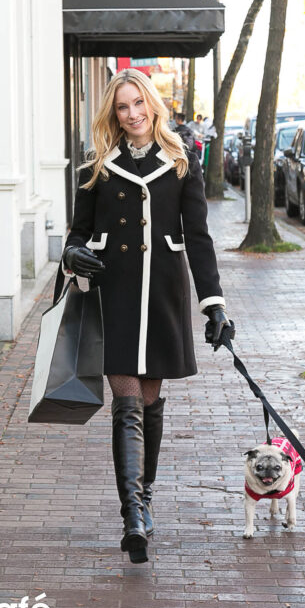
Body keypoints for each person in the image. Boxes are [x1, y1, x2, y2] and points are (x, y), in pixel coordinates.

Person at [61, 68, 234, 564]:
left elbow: (198, 238)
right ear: (113, 114)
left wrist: (214, 304)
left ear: (152, 105)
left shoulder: (180, 161)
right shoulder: (97, 164)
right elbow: (77, 232)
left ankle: (146, 495)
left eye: (138, 103)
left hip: (161, 295)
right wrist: (73, 254)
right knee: (127, 400)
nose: (132, 113)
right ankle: (133, 515)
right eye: (123, 106)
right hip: (113, 293)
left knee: (151, 401)